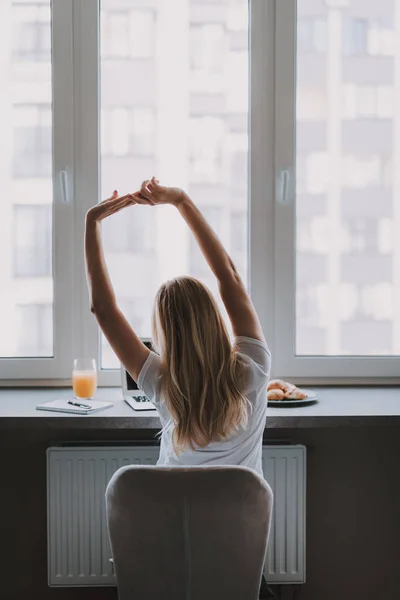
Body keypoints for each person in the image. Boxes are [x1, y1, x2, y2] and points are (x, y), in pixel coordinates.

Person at [85, 177, 274, 598]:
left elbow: (103, 308)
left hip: (162, 557)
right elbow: (228, 277)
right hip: (237, 559)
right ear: (214, 320)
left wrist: (92, 224)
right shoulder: (253, 369)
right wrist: (181, 201)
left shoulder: (158, 381)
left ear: (163, 335)